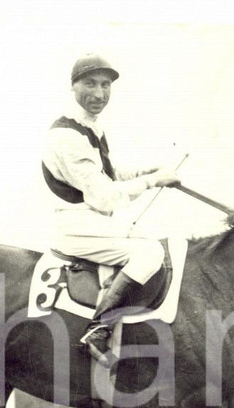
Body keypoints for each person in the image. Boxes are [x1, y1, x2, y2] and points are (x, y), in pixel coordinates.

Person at [41, 53, 181, 365]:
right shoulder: (66, 136)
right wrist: (152, 182)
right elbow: (103, 196)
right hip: (75, 226)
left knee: (153, 241)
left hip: (91, 222)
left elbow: (108, 172)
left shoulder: (90, 127)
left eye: (106, 85)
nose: (100, 93)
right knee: (150, 253)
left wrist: (147, 172)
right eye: (90, 84)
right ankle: (98, 329)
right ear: (73, 86)